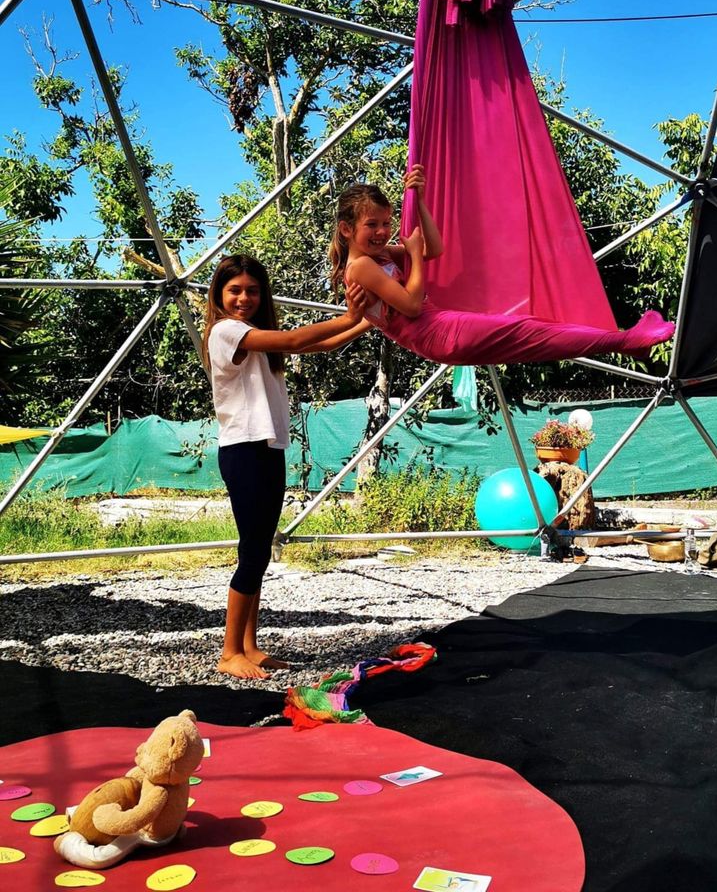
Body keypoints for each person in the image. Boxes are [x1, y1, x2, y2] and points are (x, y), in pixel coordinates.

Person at [203, 254, 369, 680]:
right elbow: (297, 340)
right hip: (243, 450)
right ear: (219, 295)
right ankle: (228, 652)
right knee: (252, 550)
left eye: (252, 290)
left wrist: (374, 321)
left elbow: (323, 343)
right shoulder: (225, 332)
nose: (244, 298)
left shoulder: (256, 339)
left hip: (266, 448)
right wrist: (351, 312)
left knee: (259, 550)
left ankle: (249, 645)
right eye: (235, 290)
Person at [329, 165, 675, 366]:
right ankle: (626, 341)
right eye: (372, 225)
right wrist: (414, 255)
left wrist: (418, 200)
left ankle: (626, 342)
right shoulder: (359, 268)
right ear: (347, 229)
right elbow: (413, 305)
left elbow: (434, 248)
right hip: (436, 332)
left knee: (532, 330)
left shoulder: (379, 257)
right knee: (528, 332)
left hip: (440, 333)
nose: (381, 232)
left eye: (386, 223)